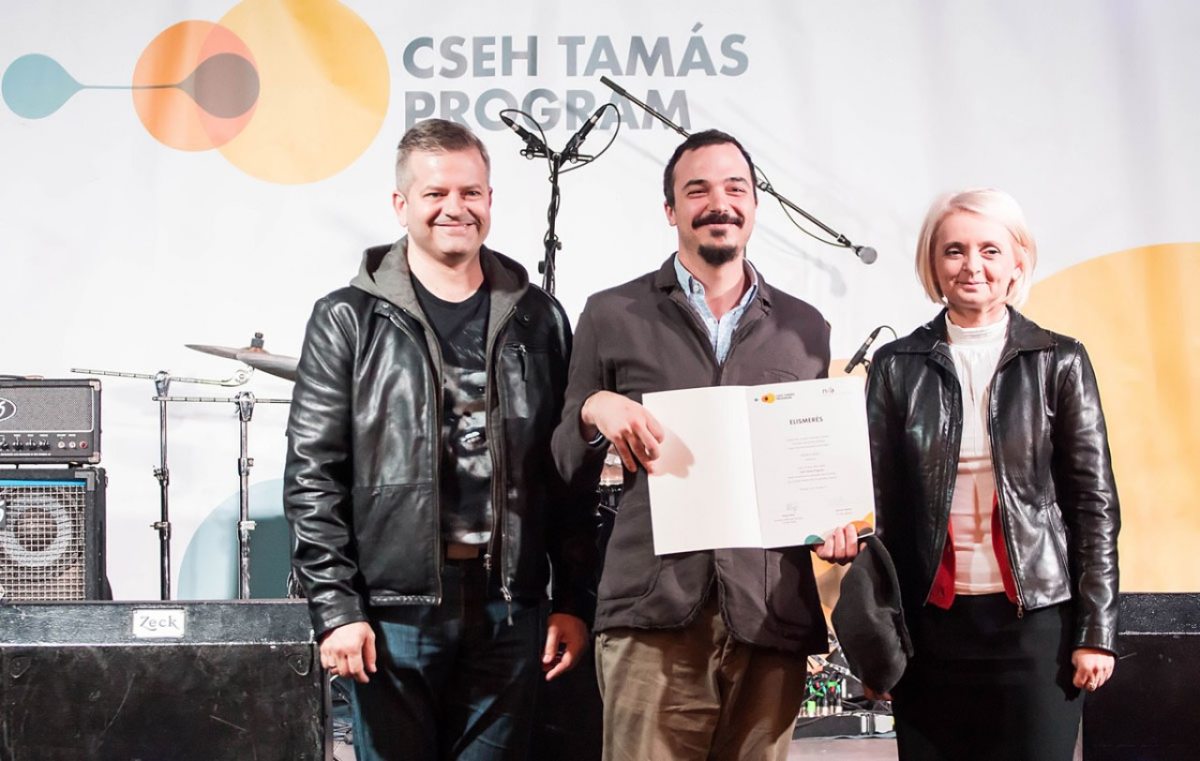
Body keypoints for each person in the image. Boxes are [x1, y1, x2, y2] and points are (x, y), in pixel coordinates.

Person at [284, 118, 596, 761]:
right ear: (401, 205)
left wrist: (572, 600)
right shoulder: (346, 318)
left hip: (510, 609)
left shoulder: (539, 317)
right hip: (392, 613)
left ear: (489, 199)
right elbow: (313, 475)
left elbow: (564, 476)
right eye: (436, 194)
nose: (456, 208)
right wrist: (337, 608)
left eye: (471, 192)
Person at [552, 129, 860, 761]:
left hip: (769, 618)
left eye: (735, 188)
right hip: (650, 616)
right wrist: (592, 410)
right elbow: (562, 463)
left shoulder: (804, 326)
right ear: (671, 210)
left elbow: (814, 464)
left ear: (754, 205)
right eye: (698, 190)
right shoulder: (611, 314)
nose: (719, 203)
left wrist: (837, 522)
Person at [864, 188, 1120, 760]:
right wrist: (881, 637)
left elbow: (1094, 506)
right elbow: (882, 512)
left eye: (990, 250)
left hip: (1038, 627)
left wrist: (1096, 632)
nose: (972, 266)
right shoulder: (895, 366)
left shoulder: (1060, 360)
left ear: (1018, 262)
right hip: (929, 629)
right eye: (954, 250)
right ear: (933, 263)